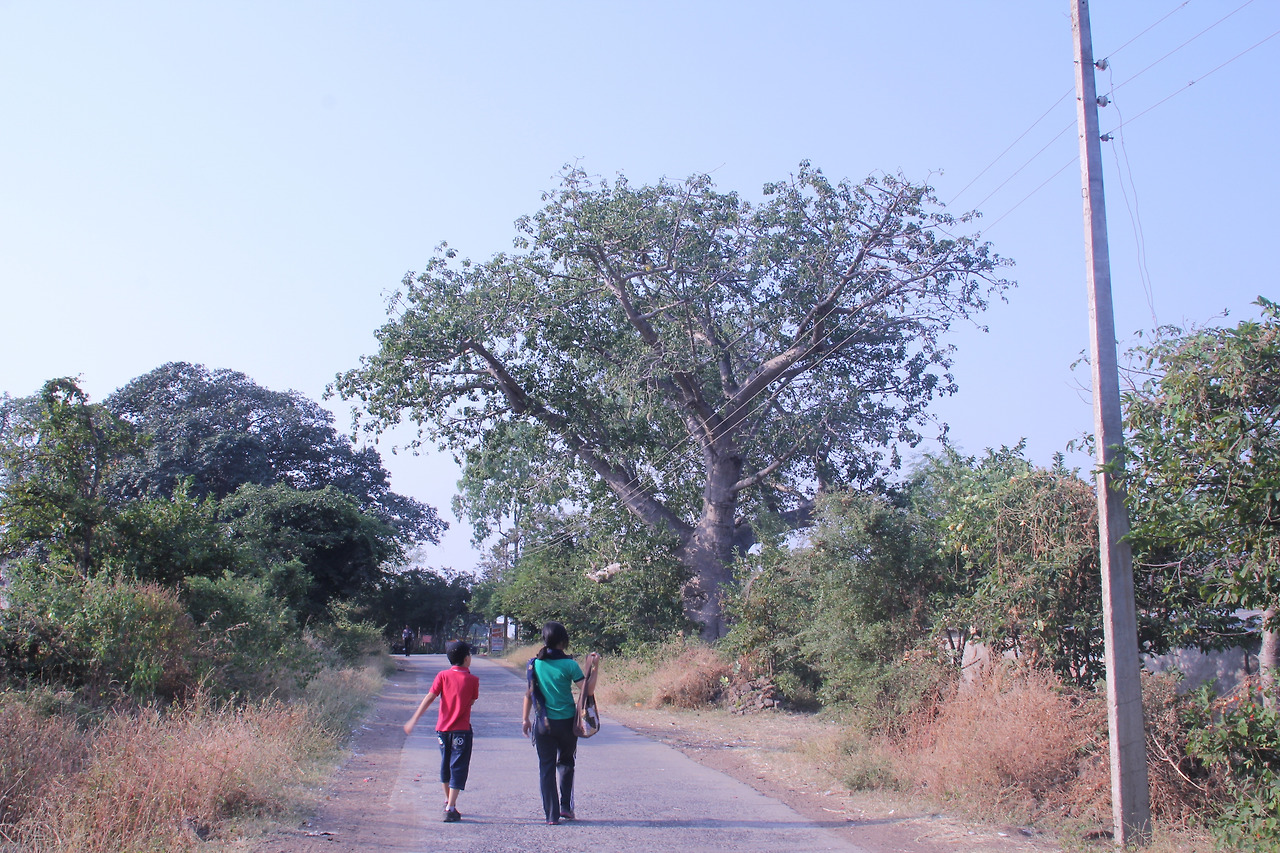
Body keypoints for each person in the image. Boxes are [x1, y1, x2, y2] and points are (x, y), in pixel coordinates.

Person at [521, 621, 600, 825]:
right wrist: (595, 668)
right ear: (563, 641)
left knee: (546, 767)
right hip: (566, 724)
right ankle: (566, 808)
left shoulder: (534, 664)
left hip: (542, 724)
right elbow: (588, 691)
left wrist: (524, 719)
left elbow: (529, 694)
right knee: (566, 763)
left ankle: (551, 815)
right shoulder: (569, 665)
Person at [404, 640, 479, 822]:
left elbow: (430, 697)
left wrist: (414, 718)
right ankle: (451, 807)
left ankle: (447, 801)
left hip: (442, 730)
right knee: (458, 767)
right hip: (461, 731)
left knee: (446, 765)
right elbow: (471, 701)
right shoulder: (473, 680)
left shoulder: (442, 676)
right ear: (467, 658)